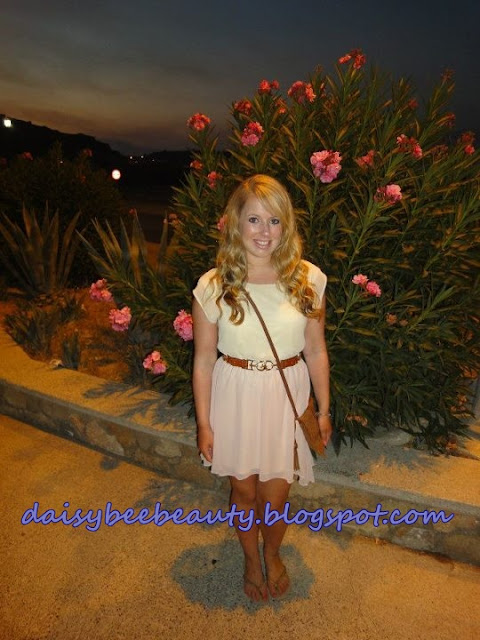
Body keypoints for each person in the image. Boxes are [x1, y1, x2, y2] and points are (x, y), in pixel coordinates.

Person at [192, 174, 332, 602]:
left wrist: (324, 410)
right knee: (243, 491)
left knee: (276, 494)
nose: (264, 232)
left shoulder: (308, 279)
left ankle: (272, 553)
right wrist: (204, 423)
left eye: (274, 220)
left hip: (285, 398)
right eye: (254, 219)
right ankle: (251, 560)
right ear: (236, 222)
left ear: (286, 225)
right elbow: (203, 360)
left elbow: (316, 350)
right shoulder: (213, 285)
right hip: (235, 396)